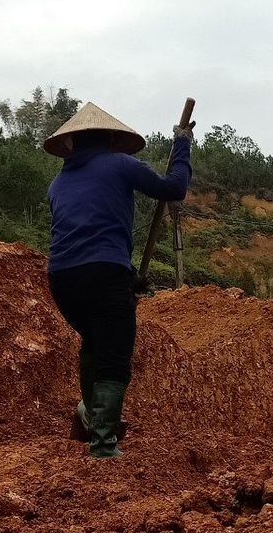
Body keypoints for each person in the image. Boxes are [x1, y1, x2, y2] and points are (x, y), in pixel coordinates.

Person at [44, 103, 194, 458]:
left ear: (73, 144)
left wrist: (125, 280)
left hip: (63, 280)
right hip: (104, 272)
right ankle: (103, 443)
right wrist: (183, 144)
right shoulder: (118, 163)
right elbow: (173, 188)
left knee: (94, 342)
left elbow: (84, 234)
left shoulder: (57, 183)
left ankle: (89, 415)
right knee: (114, 356)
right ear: (111, 138)